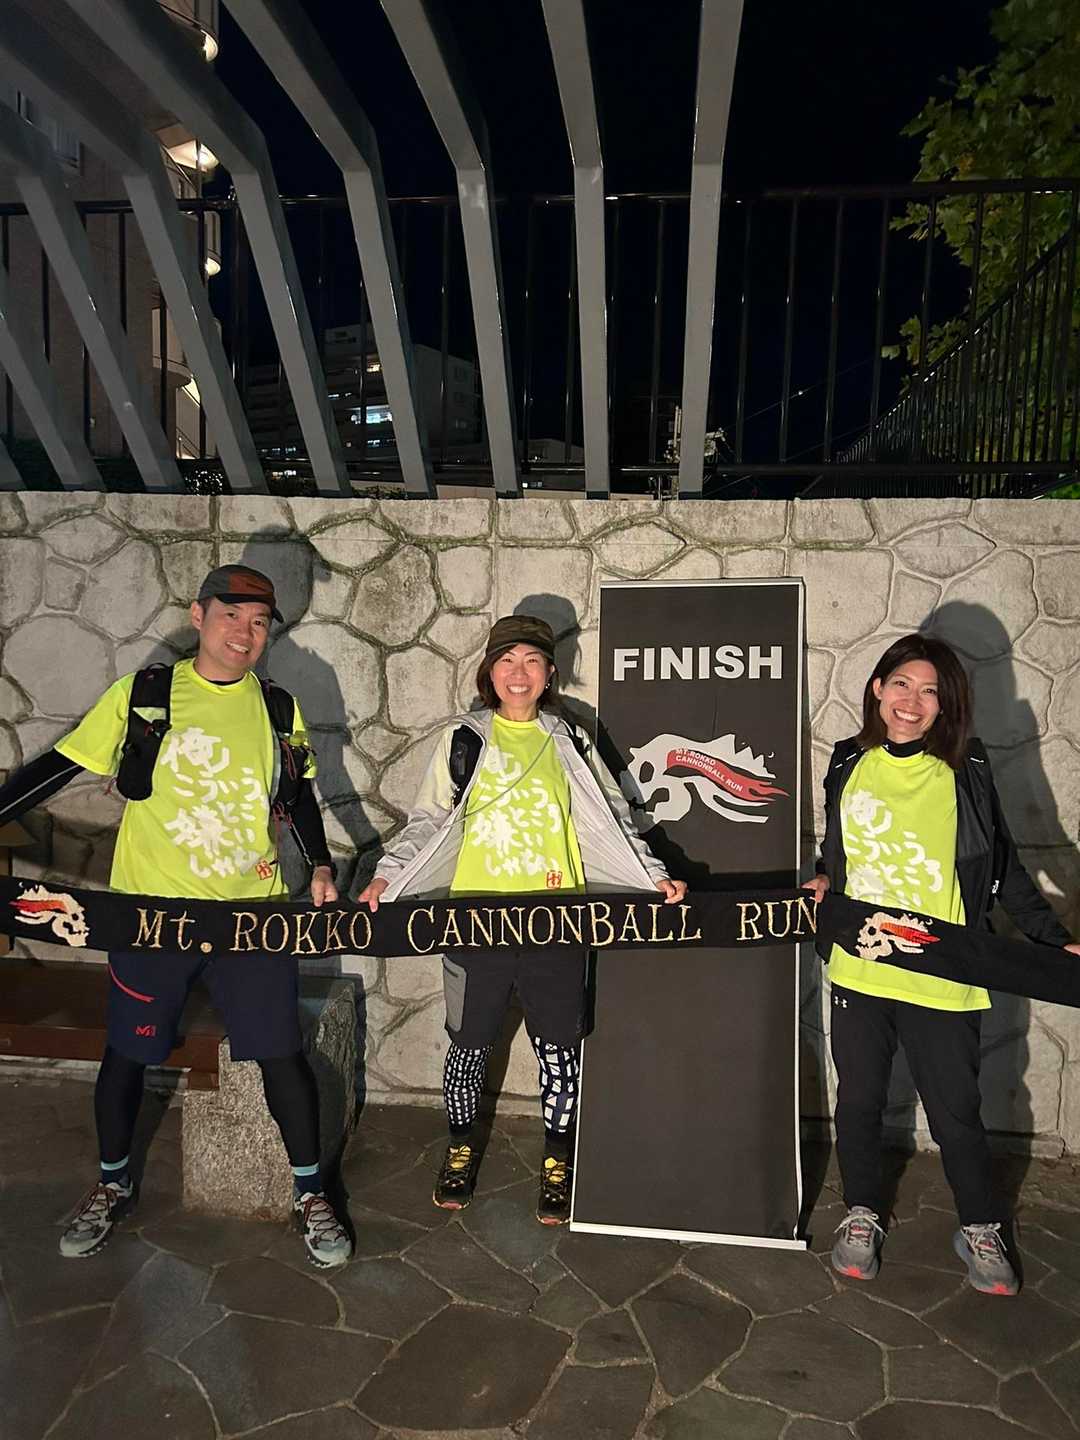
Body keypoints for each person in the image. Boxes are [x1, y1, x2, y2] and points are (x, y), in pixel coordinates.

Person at [0, 565, 351, 1268]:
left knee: (280, 1054)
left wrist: (319, 864)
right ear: (199, 616)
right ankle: (111, 1183)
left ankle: (311, 1193)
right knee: (128, 1052)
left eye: (259, 622)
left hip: (250, 917)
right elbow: (60, 765)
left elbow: (298, 795)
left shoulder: (277, 707)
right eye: (231, 616)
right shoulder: (146, 695)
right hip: (150, 915)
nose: (245, 633)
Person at [358, 614, 686, 1224]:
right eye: (506, 660)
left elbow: (612, 817)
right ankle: (460, 1148)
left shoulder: (571, 741)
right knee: (469, 1045)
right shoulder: (464, 739)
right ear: (489, 672)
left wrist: (652, 875)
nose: (519, 672)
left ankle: (558, 1159)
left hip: (557, 922)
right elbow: (429, 819)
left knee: (559, 1050)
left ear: (550, 673)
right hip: (474, 921)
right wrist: (387, 876)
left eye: (532, 661)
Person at [804, 633, 1080, 1295]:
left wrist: (1052, 940)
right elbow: (840, 849)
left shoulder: (966, 768)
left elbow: (1004, 868)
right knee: (859, 1102)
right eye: (902, 684)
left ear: (946, 705)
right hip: (862, 965)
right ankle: (862, 1212)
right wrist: (824, 879)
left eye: (931, 691)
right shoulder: (846, 760)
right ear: (877, 688)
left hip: (944, 970)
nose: (913, 701)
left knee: (956, 1112)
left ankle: (980, 1224)